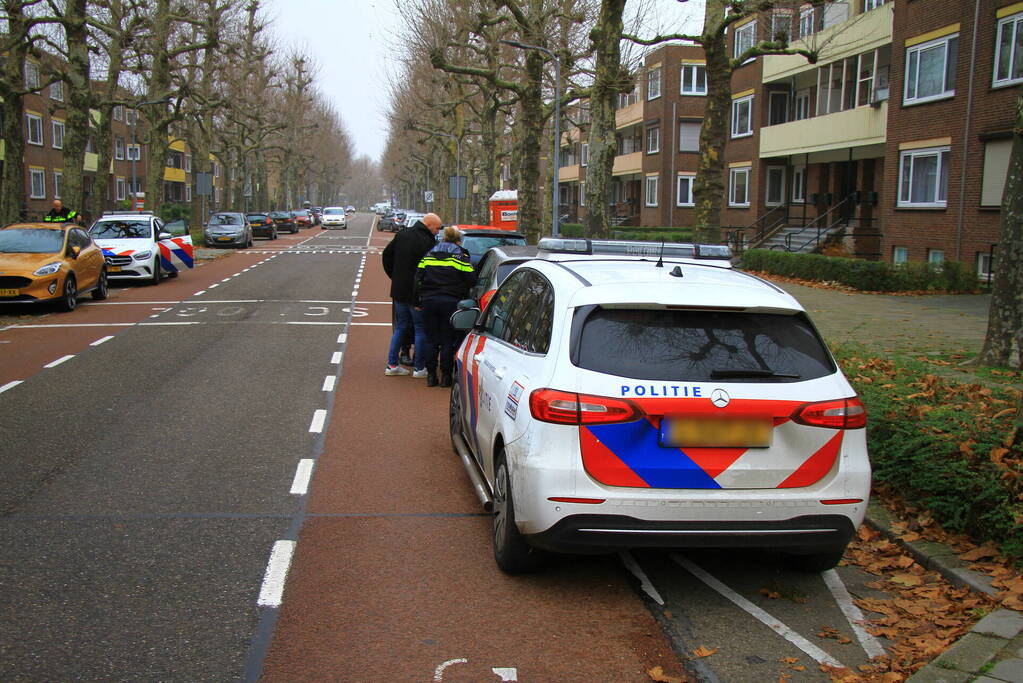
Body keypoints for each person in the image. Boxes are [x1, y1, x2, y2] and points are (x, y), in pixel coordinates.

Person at [413, 226, 477, 387]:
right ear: (458, 240)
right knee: (448, 340)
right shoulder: (460, 256)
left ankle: (431, 376)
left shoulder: (429, 254)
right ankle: (446, 377)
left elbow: (417, 278)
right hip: (451, 302)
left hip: (429, 301)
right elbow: (471, 280)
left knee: (431, 340)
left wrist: (417, 302)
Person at [381, 212, 442, 377]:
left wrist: (394, 276)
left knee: (401, 327)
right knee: (420, 328)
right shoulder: (429, 242)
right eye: (437, 228)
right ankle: (419, 368)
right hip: (418, 292)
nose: (438, 231)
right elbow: (430, 269)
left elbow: (387, 255)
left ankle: (392, 365)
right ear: (429, 226)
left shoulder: (402, 234)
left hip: (399, 289)